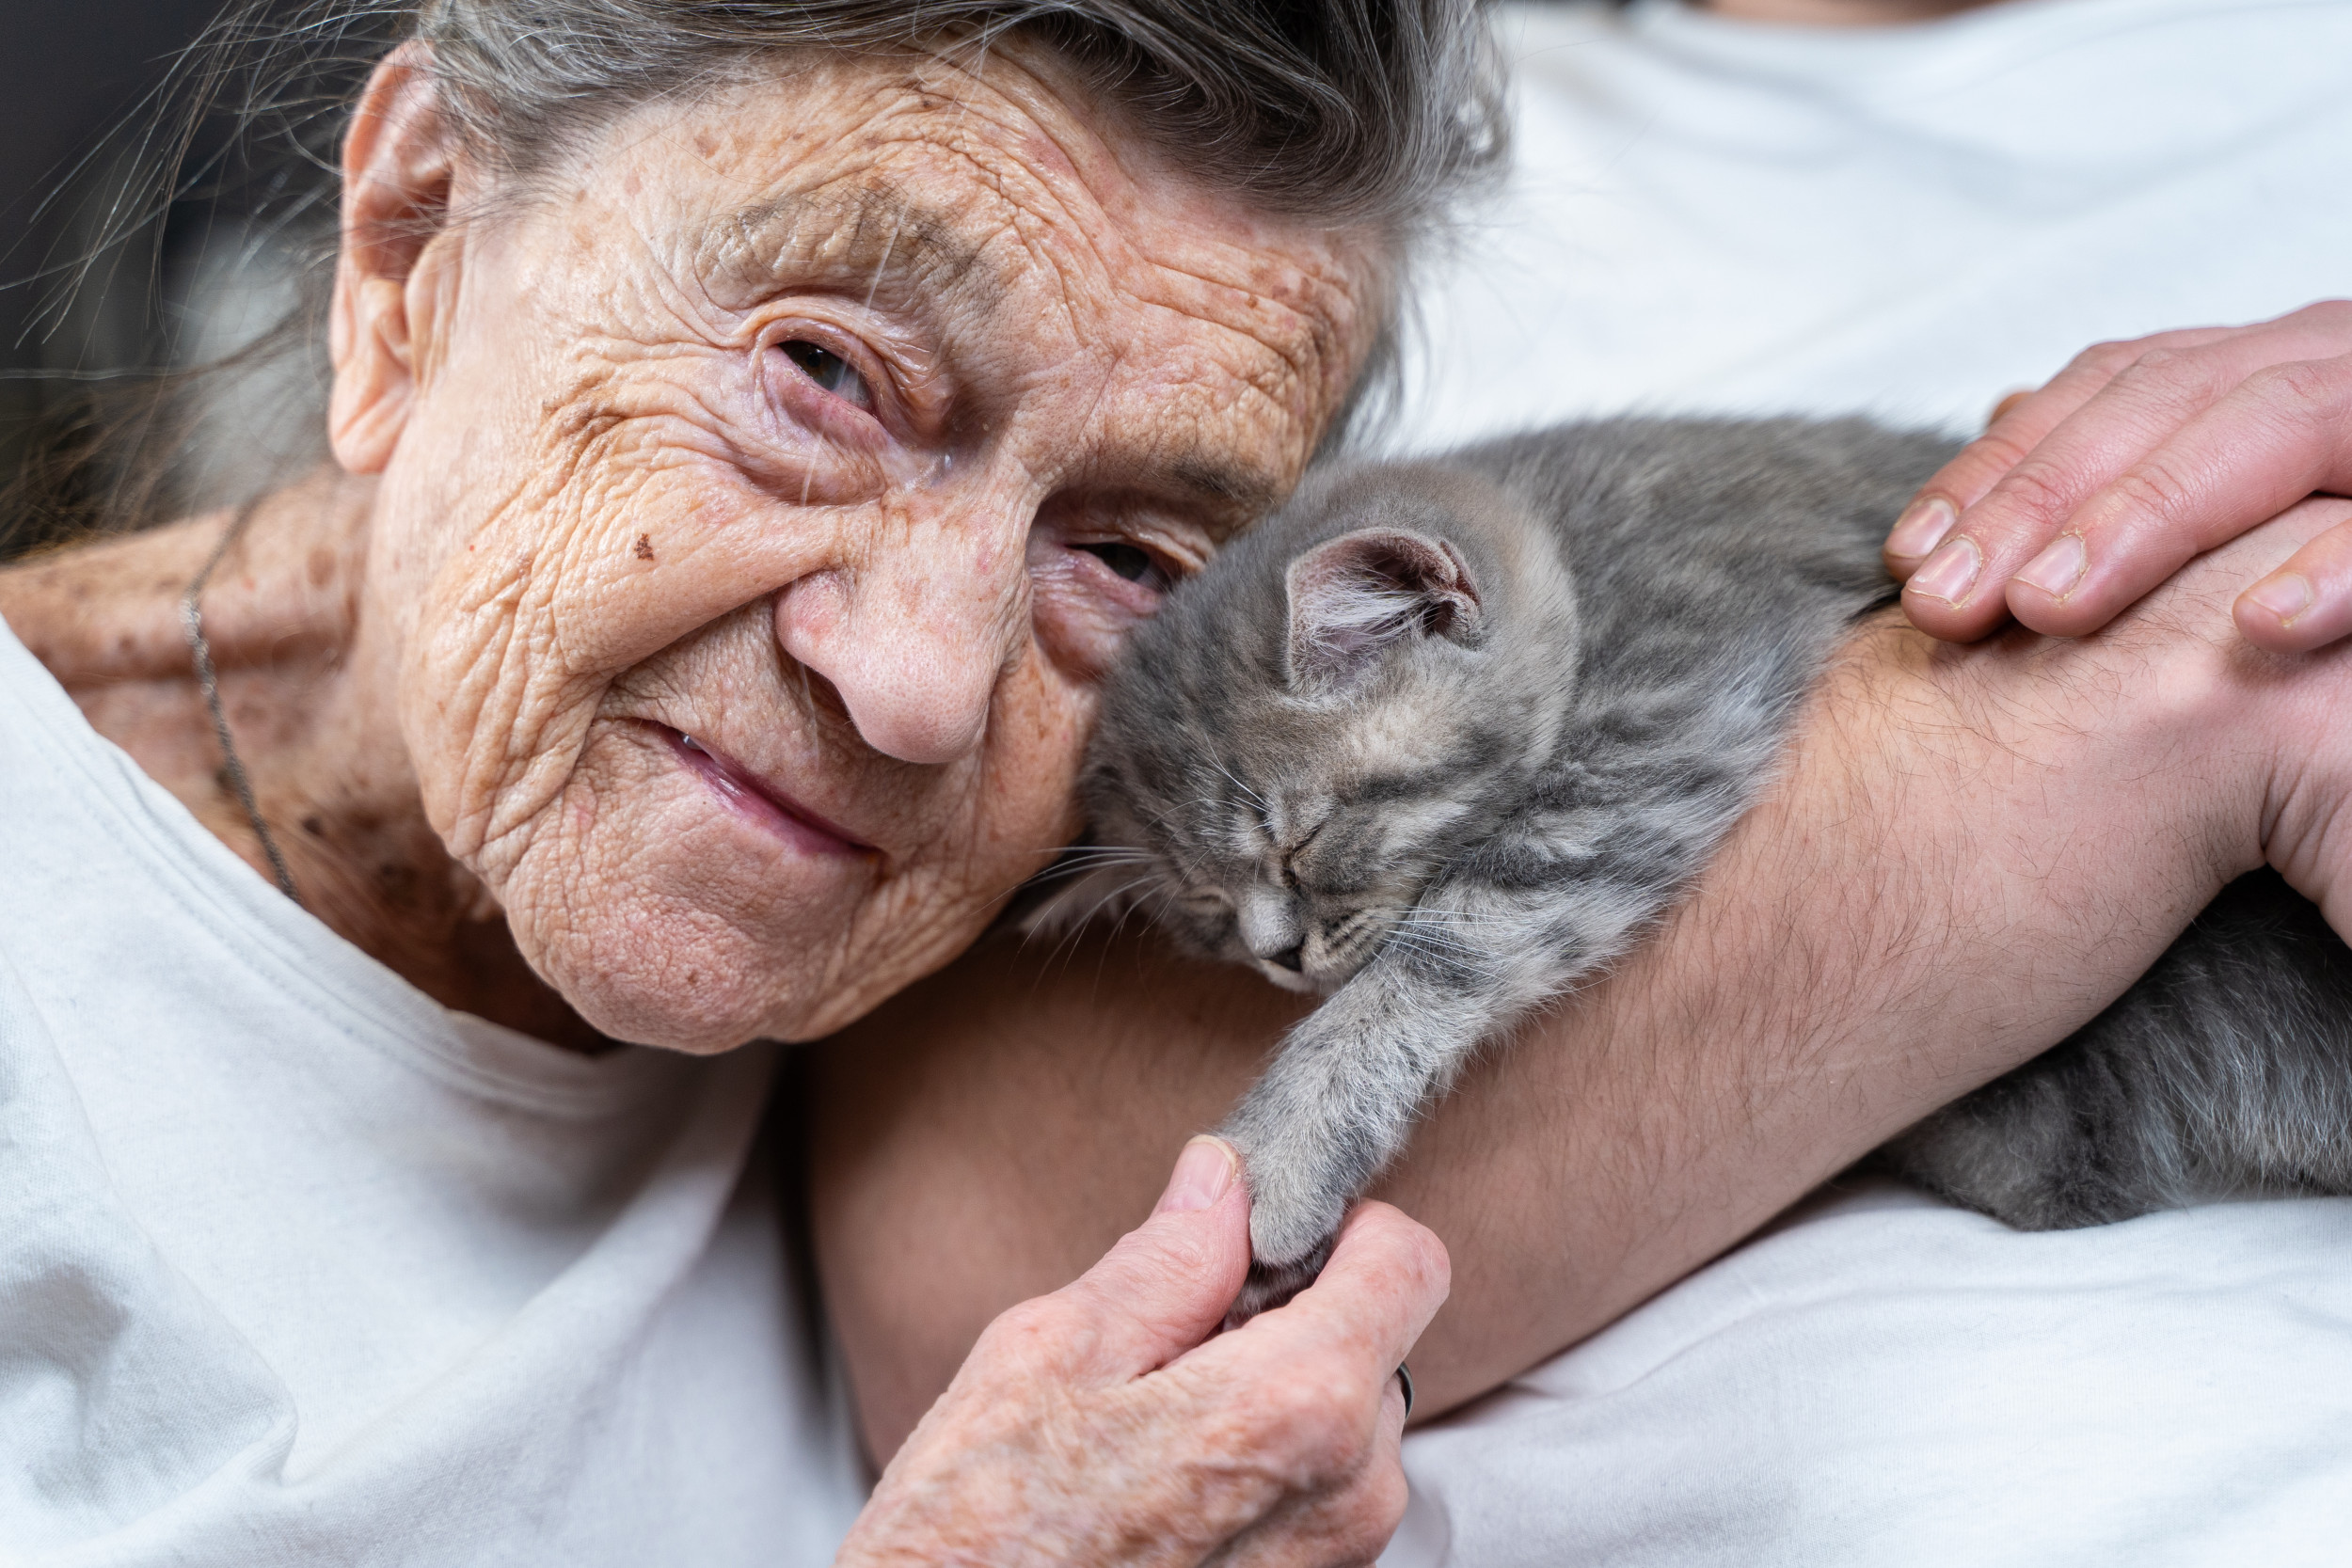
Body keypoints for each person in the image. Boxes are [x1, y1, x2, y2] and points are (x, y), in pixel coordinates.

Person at [812, 0, 2352, 1560]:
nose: (1283, 956)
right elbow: (965, 1273)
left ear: (1428, 597)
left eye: (1292, 871)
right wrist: (2186, 704)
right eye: (1229, 921)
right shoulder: (1299, 196)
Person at [0, 3, 1488, 1561]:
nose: (918, 688)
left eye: (1126, 559)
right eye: (827, 376)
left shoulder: (1031, 993)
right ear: (414, 249)